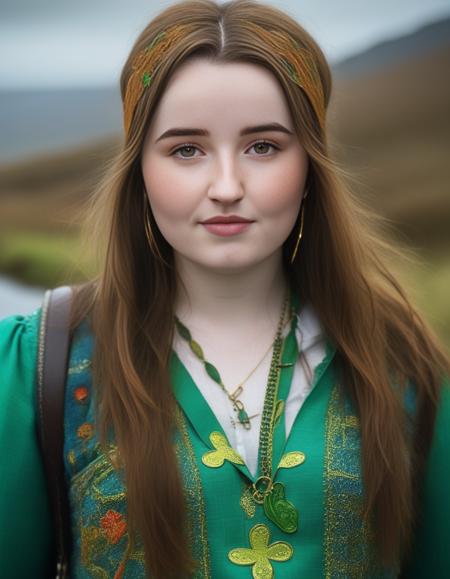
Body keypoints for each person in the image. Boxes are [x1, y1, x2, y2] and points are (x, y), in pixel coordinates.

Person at [0, 0, 449, 577]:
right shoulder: (41, 366)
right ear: (141, 171)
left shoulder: (400, 359)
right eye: (186, 149)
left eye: (263, 146)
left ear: (310, 166)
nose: (227, 186)